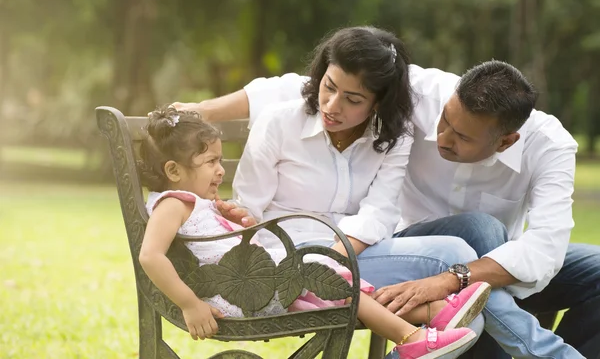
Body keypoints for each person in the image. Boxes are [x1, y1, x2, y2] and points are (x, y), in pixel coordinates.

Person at [173, 39, 596, 357]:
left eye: (461, 136)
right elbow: (306, 87)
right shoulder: (421, 94)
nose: (441, 136)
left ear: (506, 141)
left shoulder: (551, 147)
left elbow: (543, 249)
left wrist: (452, 278)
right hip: (408, 246)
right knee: (478, 229)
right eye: (444, 121)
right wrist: (203, 110)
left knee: (583, 265)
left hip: (487, 266)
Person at [135, 106, 490, 359]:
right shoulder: (173, 204)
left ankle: (435, 314)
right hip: (240, 296)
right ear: (173, 170)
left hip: (260, 282)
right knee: (331, 276)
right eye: (211, 162)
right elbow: (150, 255)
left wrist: (240, 221)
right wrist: (190, 305)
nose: (219, 171)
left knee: (340, 287)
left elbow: (215, 243)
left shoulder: (196, 203)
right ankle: (413, 338)